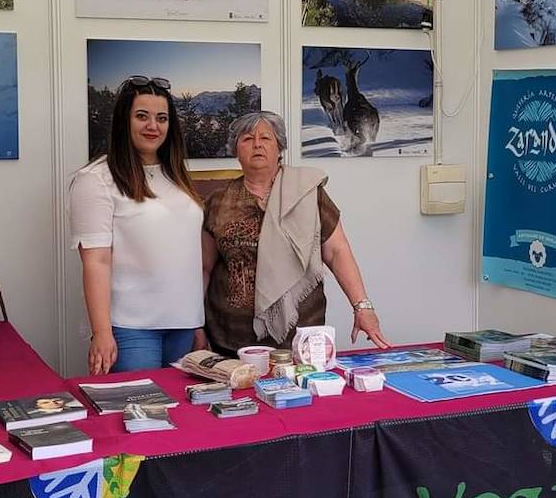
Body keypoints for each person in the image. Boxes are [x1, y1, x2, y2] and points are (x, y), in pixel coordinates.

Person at [201, 111, 388, 357]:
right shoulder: (218, 200)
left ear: (279, 147)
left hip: (301, 340)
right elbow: (204, 267)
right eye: (247, 139)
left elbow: (337, 252)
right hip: (230, 342)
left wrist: (362, 307)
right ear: (235, 150)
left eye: (266, 138)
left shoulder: (308, 193)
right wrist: (195, 324)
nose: (257, 144)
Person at [69, 76, 203, 375]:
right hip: (130, 329)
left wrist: (196, 320)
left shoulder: (176, 175)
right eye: (142, 116)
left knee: (181, 420)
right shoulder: (96, 179)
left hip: (182, 326)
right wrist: (102, 333)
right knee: (140, 417)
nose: (153, 126)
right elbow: (96, 262)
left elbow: (188, 252)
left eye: (162, 118)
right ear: (123, 121)